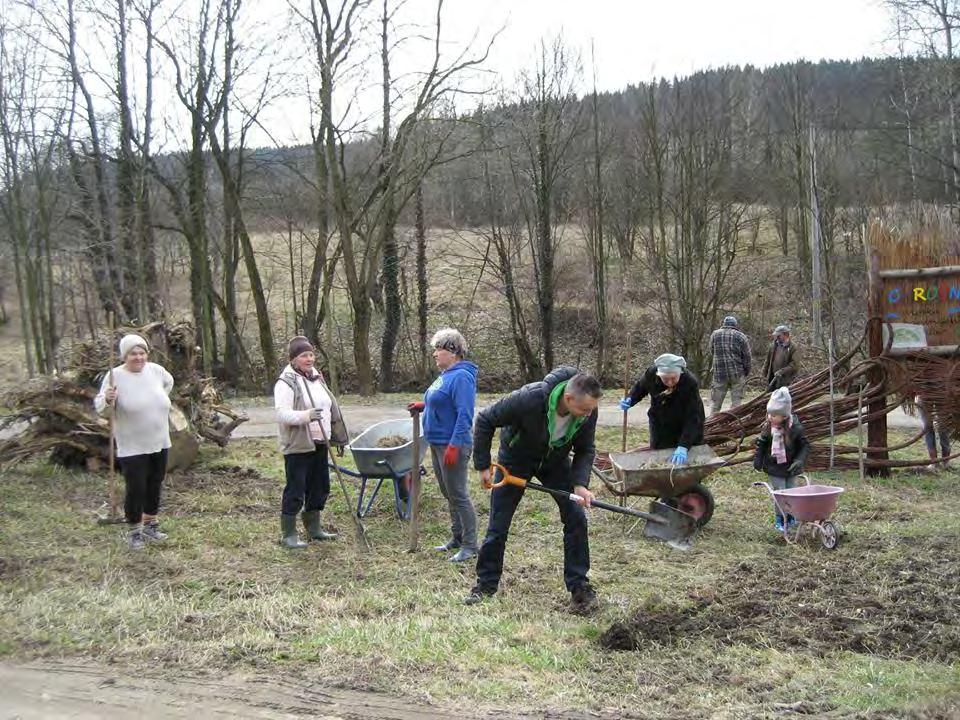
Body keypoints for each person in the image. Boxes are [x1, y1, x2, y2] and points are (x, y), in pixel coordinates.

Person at [468, 368, 602, 614]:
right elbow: (485, 419)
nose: (588, 415)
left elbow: (586, 448)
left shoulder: (587, 410)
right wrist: (482, 464)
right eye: (585, 410)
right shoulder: (529, 399)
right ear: (569, 398)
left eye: (591, 410)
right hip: (516, 460)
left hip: (555, 461)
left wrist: (580, 484)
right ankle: (485, 586)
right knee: (499, 524)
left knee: (576, 518)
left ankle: (579, 587)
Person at [94, 333, 174, 551]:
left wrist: (159, 400)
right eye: (133, 354)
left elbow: (169, 382)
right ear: (124, 356)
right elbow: (102, 409)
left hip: (159, 439)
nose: (138, 357)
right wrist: (109, 400)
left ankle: (150, 525)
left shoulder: (156, 371)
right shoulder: (114, 376)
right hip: (132, 444)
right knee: (136, 487)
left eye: (142, 352)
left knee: (155, 484)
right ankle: (135, 531)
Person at [406, 328, 479, 563]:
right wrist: (423, 405)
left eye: (438, 349)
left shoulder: (462, 377)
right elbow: (441, 401)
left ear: (452, 351)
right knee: (448, 492)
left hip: (452, 444)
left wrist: (455, 445)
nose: (435, 354)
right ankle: (456, 537)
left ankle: (470, 544)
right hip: (437, 442)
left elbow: (464, 414)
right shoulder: (446, 374)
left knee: (458, 494)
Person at [274, 336, 349, 549]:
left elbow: (328, 406)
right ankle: (288, 534)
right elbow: (281, 414)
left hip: (320, 441)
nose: (309, 359)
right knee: (296, 487)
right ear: (293, 359)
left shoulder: (317, 378)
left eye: (311, 354)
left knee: (320, 485)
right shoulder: (286, 382)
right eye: (303, 355)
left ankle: (314, 528)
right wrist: (306, 415)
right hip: (298, 443)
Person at [619, 353, 705, 466]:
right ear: (659, 375)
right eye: (665, 379)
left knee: (689, 460)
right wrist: (630, 399)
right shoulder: (651, 374)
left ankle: (687, 481)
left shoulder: (689, 383)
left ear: (680, 373)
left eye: (673, 378)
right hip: (660, 421)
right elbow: (640, 387)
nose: (669, 382)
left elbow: (693, 417)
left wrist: (684, 445)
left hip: (685, 422)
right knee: (659, 455)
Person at [753, 387, 810, 531]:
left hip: (791, 467)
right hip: (774, 467)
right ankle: (780, 519)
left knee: (791, 492)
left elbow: (805, 446)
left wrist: (799, 461)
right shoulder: (768, 427)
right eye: (769, 413)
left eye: (774, 415)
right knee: (780, 493)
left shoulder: (795, 428)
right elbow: (762, 443)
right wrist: (758, 460)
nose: (770, 417)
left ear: (784, 416)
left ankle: (791, 517)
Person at [709, 315, 751, 414]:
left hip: (719, 374)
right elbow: (747, 357)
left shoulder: (715, 335)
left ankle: (711, 425)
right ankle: (734, 425)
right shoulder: (741, 336)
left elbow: (712, 351)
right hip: (737, 373)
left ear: (723, 324)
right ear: (735, 325)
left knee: (716, 404)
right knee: (736, 405)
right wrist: (746, 371)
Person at [917, 395, 952, 470]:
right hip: (923, 394)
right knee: (927, 427)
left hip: (942, 393)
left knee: (943, 427)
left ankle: (946, 461)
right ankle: (933, 461)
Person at [762, 325, 800, 391]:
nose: (777, 338)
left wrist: (782, 372)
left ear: (786, 335)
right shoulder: (773, 346)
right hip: (772, 379)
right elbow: (767, 361)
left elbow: (795, 365)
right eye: (776, 336)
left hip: (786, 381)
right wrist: (764, 373)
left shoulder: (793, 347)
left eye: (779, 336)